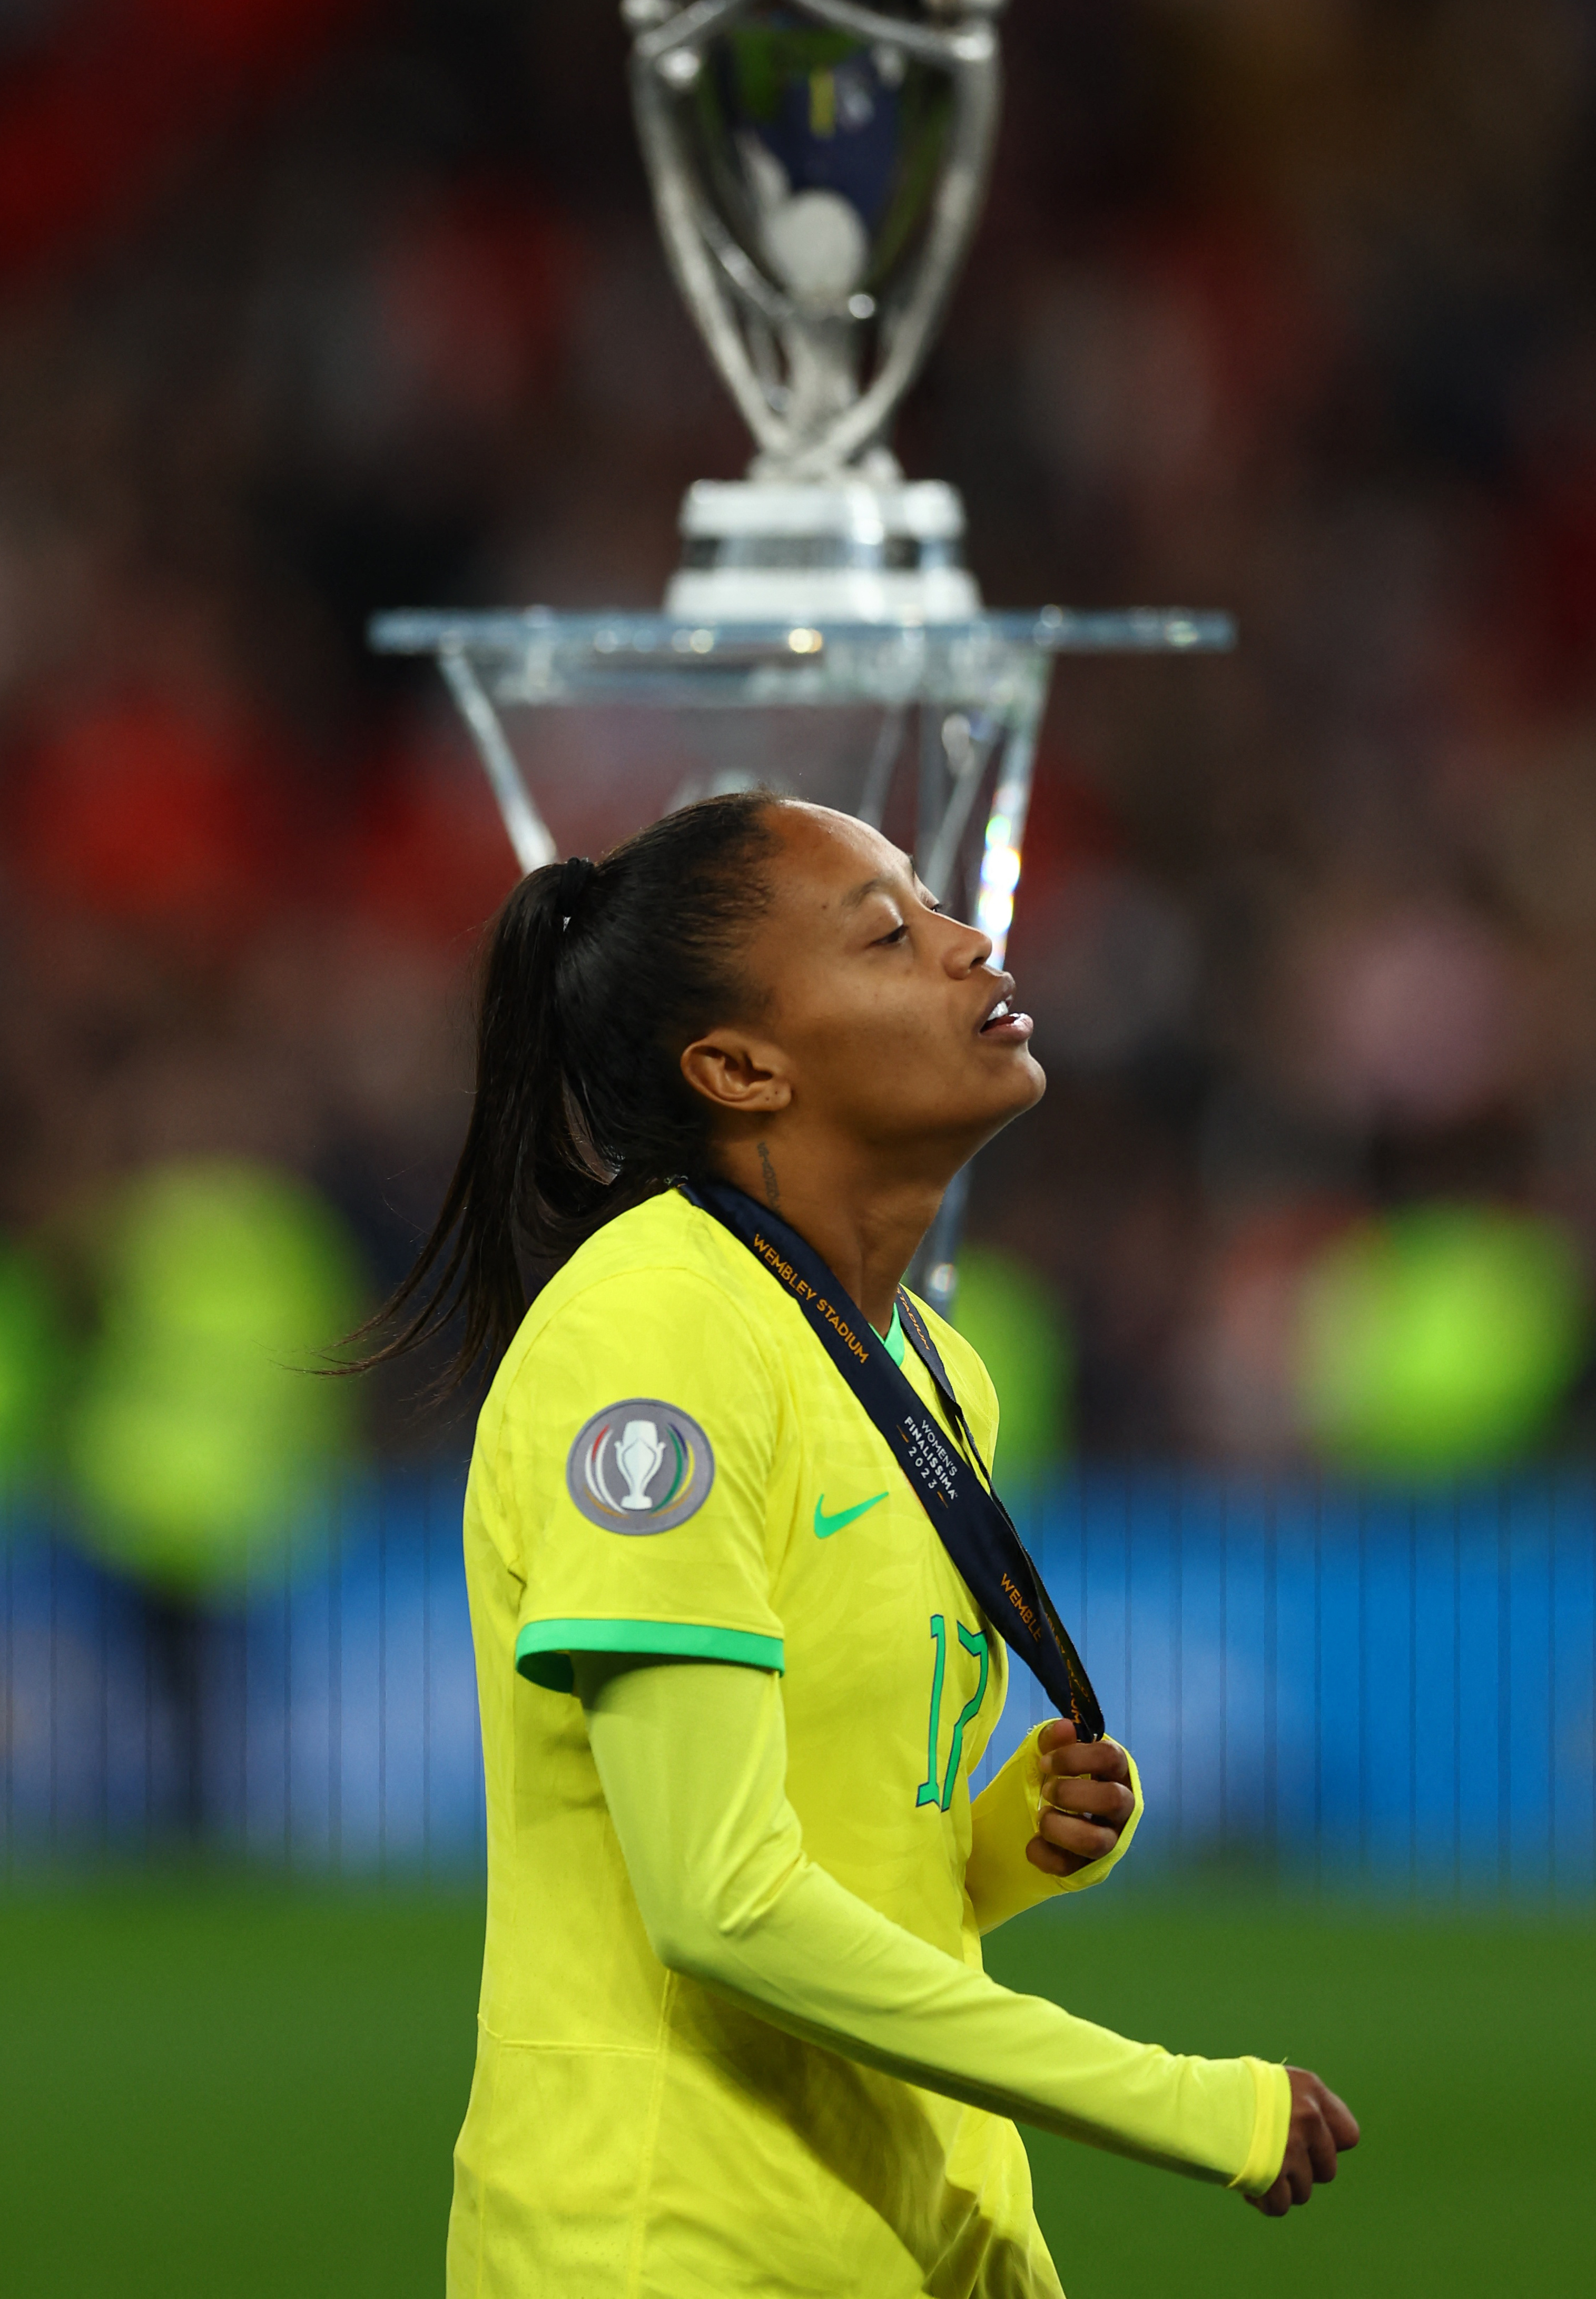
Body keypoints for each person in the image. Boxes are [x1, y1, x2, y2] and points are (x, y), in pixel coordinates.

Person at [370, 790, 1357, 2298]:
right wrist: (1184, 2101)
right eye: (891, 933)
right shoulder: (658, 1336)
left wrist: (992, 1845)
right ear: (741, 1066)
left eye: (941, 908)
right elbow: (720, 1899)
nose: (969, 945)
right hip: (673, 2242)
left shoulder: (928, 1368)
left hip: (908, 2230)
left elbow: (827, 1847)